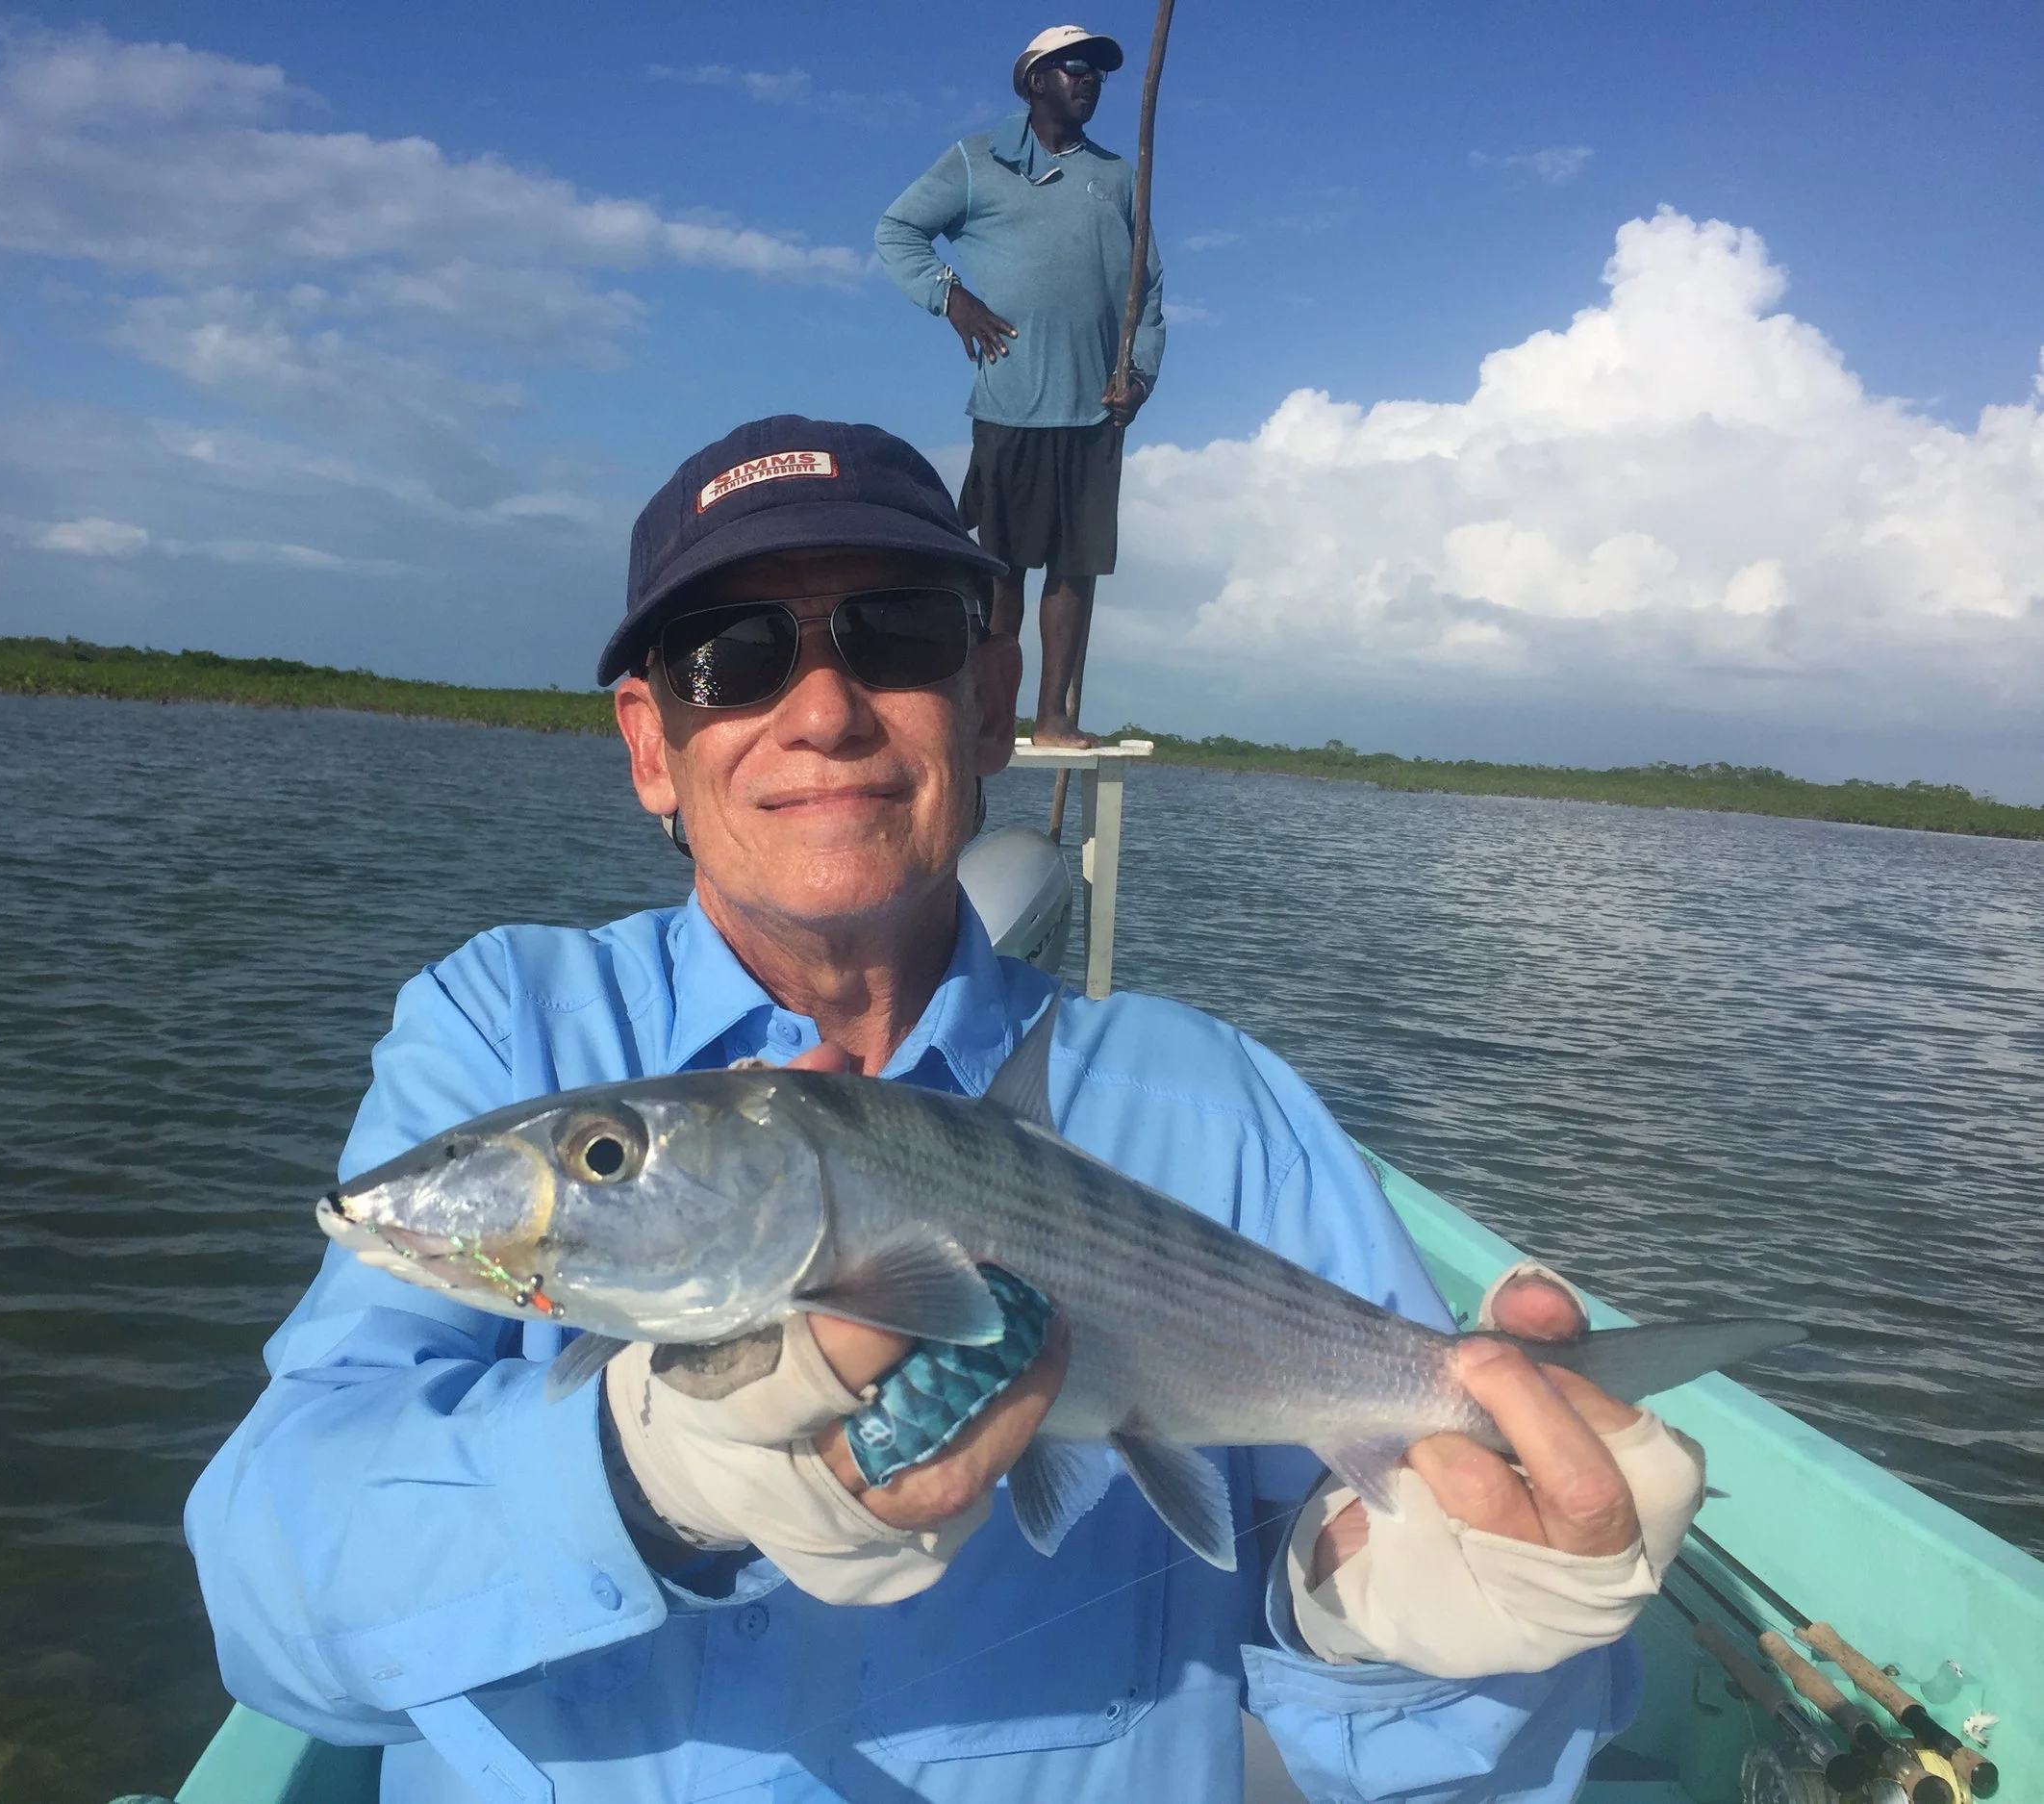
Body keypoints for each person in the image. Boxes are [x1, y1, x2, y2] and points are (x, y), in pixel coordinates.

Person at [188, 416, 1704, 1802]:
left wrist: (1399, 1626)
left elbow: (1430, 1742)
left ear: (987, 701)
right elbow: (271, 1596)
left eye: (895, 634)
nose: (826, 709)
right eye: (733, 657)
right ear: (653, 744)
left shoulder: (1218, 1103)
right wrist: (642, 1478)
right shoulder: (506, 1026)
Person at [875, 25, 1165, 750]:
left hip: (1096, 406)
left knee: (1077, 567)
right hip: (1011, 400)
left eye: (1097, 70)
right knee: (1003, 563)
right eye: (1074, 68)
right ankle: (987, 716)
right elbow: (898, 229)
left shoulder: (1120, 176)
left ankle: (1054, 717)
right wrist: (954, 299)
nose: (1090, 79)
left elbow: (1148, 287)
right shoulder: (979, 161)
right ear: (1035, 81)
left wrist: (1141, 376)